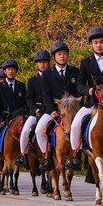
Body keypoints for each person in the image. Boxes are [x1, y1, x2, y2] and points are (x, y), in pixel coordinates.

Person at [66, 27, 103, 170]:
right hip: (93, 102)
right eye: (96, 42)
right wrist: (88, 90)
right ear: (91, 44)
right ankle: (76, 156)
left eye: (102, 42)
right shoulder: (86, 62)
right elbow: (79, 83)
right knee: (75, 126)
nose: (99, 45)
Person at [36, 40, 82, 172]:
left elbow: (78, 91)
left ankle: (77, 157)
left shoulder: (75, 71)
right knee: (39, 130)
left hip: (72, 111)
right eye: (59, 54)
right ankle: (46, 157)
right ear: (54, 57)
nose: (62, 56)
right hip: (54, 110)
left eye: (64, 54)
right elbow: (46, 94)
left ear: (67, 55)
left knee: (82, 129)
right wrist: (51, 110)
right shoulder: (47, 74)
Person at [0, 59, 27, 168]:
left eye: (13, 69)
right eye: (8, 69)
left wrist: (21, 116)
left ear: (16, 71)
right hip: (3, 118)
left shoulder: (21, 86)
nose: (11, 71)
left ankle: (24, 156)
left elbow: (25, 104)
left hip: (17, 119)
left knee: (28, 133)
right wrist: (0, 119)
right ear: (5, 71)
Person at [15, 49, 50, 167]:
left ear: (48, 63)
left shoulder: (53, 77)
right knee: (25, 131)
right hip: (37, 111)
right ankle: (23, 155)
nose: (42, 64)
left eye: (45, 61)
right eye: (40, 62)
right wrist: (35, 109)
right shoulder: (32, 81)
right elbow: (29, 99)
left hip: (51, 111)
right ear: (37, 64)